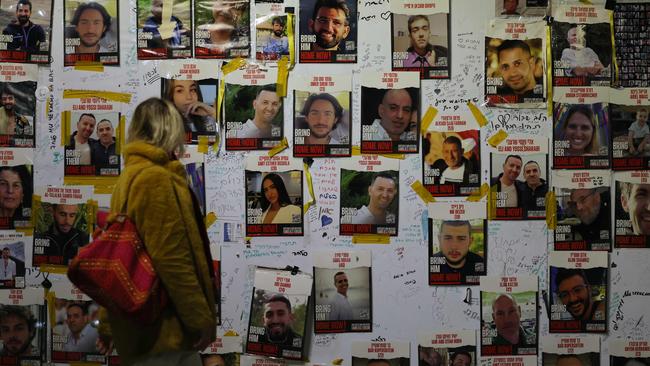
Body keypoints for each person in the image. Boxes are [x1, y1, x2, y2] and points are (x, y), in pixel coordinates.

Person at [95, 98, 217, 365]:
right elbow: (171, 258)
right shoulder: (156, 178)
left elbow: (116, 259)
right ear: (169, 128)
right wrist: (201, 319)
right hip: (163, 330)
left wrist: (107, 324)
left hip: (144, 328)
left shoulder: (130, 175)